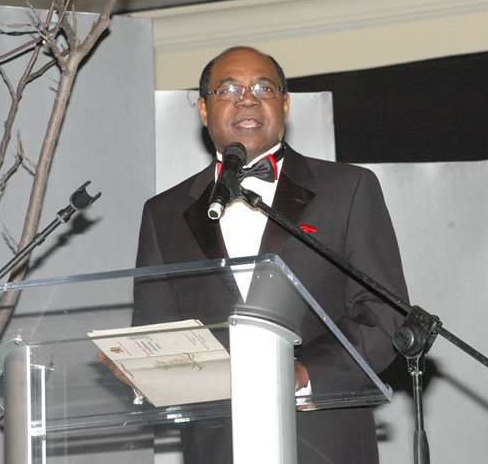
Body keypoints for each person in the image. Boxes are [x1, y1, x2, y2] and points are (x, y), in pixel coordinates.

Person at [131, 46, 409, 463]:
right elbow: (157, 330)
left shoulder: (348, 190)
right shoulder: (164, 214)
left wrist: (300, 372)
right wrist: (142, 367)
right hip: (217, 447)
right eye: (229, 89)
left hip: (326, 442)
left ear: (284, 104)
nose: (247, 98)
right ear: (204, 110)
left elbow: (386, 316)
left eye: (263, 87)